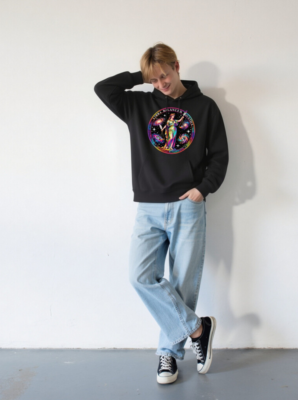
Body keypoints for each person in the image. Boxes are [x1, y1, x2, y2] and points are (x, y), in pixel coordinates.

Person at [94, 42, 229, 385]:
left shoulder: (205, 107)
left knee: (183, 284)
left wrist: (203, 189)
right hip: (149, 205)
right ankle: (198, 329)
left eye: (164, 75)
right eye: (154, 80)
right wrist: (143, 74)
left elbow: (219, 155)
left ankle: (167, 353)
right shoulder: (138, 104)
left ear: (177, 66)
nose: (161, 84)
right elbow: (103, 88)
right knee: (140, 276)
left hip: (188, 204)